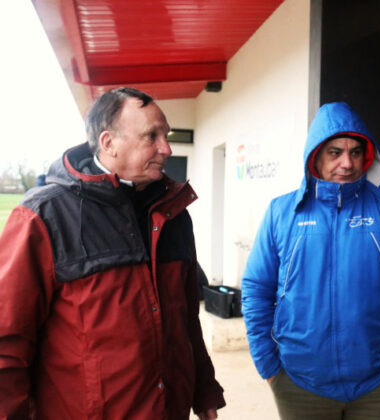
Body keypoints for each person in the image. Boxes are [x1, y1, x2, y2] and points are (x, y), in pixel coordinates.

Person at [0, 87, 225, 419]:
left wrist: (203, 389)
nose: (166, 148)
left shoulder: (175, 214)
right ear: (108, 143)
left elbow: (186, 318)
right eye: (152, 136)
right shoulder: (43, 217)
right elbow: (7, 341)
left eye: (166, 135)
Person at [241, 102, 380, 419]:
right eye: (335, 152)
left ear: (367, 156)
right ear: (315, 155)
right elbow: (255, 289)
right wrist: (268, 365)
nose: (347, 163)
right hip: (299, 383)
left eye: (355, 152)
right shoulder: (282, 213)